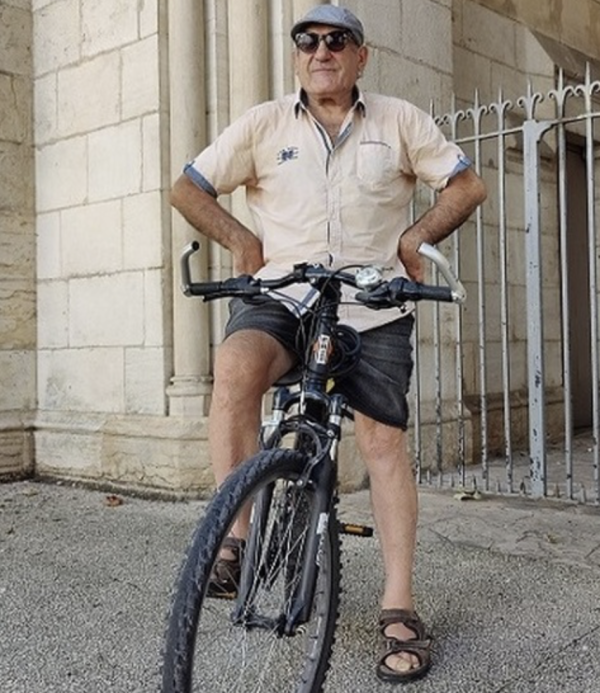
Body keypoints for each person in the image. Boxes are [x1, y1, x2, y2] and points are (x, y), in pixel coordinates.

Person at [170, 4, 486, 684]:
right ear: (296, 55)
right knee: (233, 368)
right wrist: (241, 241)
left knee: (381, 441)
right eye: (308, 40)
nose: (322, 51)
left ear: (360, 56)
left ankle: (399, 603)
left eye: (337, 40)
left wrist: (414, 239)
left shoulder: (399, 120)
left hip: (371, 306)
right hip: (284, 296)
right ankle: (236, 536)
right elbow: (189, 188)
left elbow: (466, 182)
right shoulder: (262, 123)